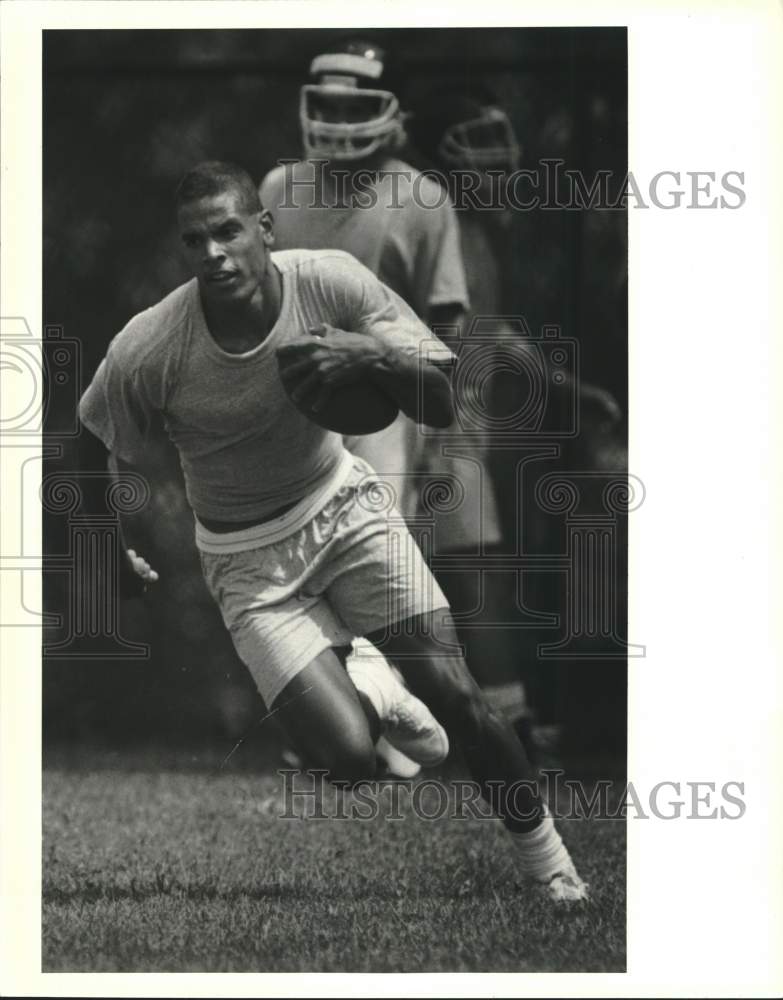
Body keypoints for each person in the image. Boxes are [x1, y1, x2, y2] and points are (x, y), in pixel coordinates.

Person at [77, 160, 588, 903]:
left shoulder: (331, 281)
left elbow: (442, 400)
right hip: (244, 561)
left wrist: (369, 352)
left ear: (265, 228)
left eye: (227, 231)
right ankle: (374, 689)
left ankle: (552, 867)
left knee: (456, 691)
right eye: (195, 241)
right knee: (347, 761)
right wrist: (104, 544)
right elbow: (94, 433)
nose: (213, 253)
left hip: (344, 508)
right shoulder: (153, 343)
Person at [259, 40, 517, 769]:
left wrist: (440, 426)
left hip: (385, 409)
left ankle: (376, 711)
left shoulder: (422, 198)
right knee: (287, 558)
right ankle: (344, 715)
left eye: (355, 105)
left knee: (370, 553)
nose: (339, 121)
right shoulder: (279, 186)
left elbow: (447, 326)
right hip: (292, 399)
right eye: (328, 104)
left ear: (392, 113)